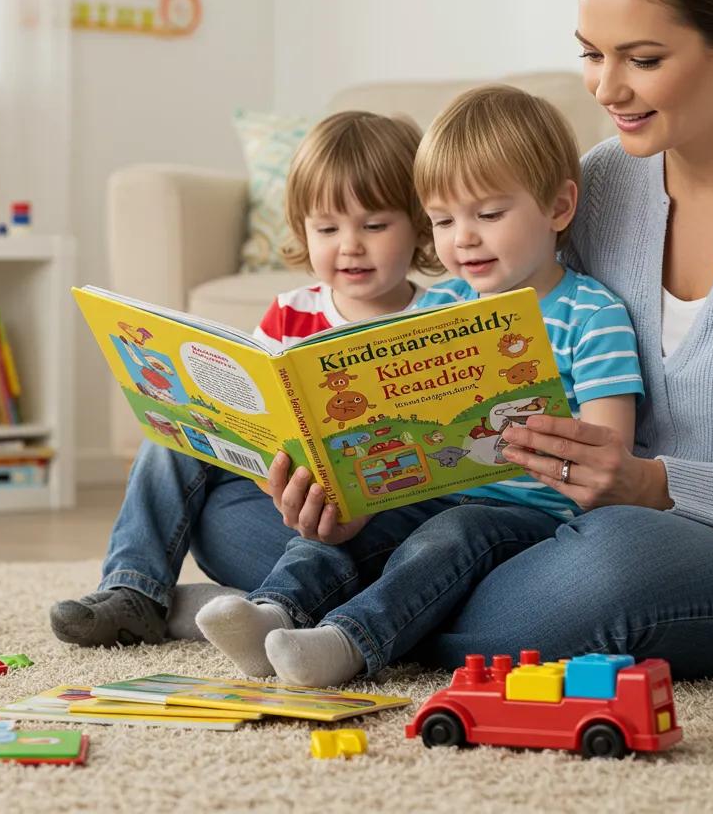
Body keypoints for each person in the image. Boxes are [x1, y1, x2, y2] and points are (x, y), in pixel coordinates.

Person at [255, 0, 713, 680]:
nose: (606, 89)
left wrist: (655, 484)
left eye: (643, 59)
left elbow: (623, 485)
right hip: (537, 515)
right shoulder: (602, 184)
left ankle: (373, 611)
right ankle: (370, 600)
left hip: (678, 535)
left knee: (613, 569)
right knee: (254, 510)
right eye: (591, 53)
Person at [196, 85, 645, 686]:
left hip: (529, 516)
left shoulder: (592, 314)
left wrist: (529, 442)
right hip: (427, 491)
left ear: (559, 207)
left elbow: (606, 461)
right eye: (441, 220)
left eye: (489, 215)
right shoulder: (438, 306)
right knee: (346, 524)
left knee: (455, 532)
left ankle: (348, 641)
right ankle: (274, 611)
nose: (463, 237)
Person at [50, 110, 443, 647]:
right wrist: (261, 465)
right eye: (327, 228)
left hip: (380, 530)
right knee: (171, 434)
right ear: (303, 228)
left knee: (348, 549)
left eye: (374, 225)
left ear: (419, 224)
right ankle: (135, 591)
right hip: (284, 503)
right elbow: (255, 420)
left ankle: (256, 610)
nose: (349, 245)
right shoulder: (290, 313)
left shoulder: (438, 320)